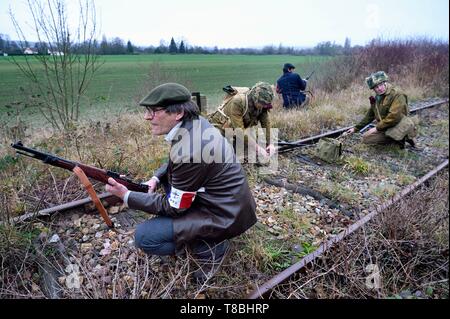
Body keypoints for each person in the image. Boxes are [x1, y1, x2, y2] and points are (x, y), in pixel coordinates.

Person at [105, 83, 257, 283]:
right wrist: (156, 178)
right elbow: (175, 161)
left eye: (154, 111)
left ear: (178, 113)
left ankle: (210, 247)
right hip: (231, 205)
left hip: (225, 216)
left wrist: (127, 196)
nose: (147, 117)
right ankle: (200, 238)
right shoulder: (197, 123)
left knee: (144, 237)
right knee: (169, 186)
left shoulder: (191, 150)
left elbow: (173, 207)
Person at [344, 71, 417, 148]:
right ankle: (396, 139)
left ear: (385, 83)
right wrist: (355, 128)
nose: (379, 89)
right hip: (386, 126)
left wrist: (376, 128)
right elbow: (369, 116)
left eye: (381, 85)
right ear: (373, 89)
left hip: (398, 125)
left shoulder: (397, 94)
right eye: (376, 87)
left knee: (369, 138)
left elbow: (394, 117)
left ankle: (404, 138)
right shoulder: (378, 98)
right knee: (365, 139)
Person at [208, 82, 276, 161]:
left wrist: (270, 143)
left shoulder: (262, 103)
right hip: (221, 128)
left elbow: (266, 123)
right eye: (263, 103)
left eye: (266, 104)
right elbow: (239, 131)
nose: (264, 106)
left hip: (236, 129)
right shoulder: (238, 102)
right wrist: (257, 148)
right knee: (219, 153)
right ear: (255, 98)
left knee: (248, 149)